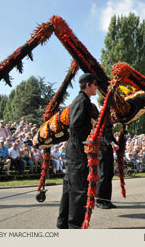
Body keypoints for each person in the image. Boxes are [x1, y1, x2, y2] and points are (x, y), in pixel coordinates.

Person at [57, 73, 99, 229]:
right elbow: (75, 125)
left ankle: (63, 224)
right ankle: (75, 227)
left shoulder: (80, 100)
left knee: (69, 188)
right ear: (88, 85)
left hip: (73, 148)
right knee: (79, 190)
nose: (96, 87)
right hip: (78, 149)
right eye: (95, 84)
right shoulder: (83, 101)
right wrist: (91, 133)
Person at [95, 100, 117, 209]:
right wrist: (112, 143)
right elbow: (100, 136)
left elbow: (110, 135)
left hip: (108, 150)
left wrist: (116, 142)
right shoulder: (98, 119)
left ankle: (107, 200)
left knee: (109, 174)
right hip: (101, 150)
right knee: (102, 175)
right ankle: (99, 200)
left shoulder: (108, 119)